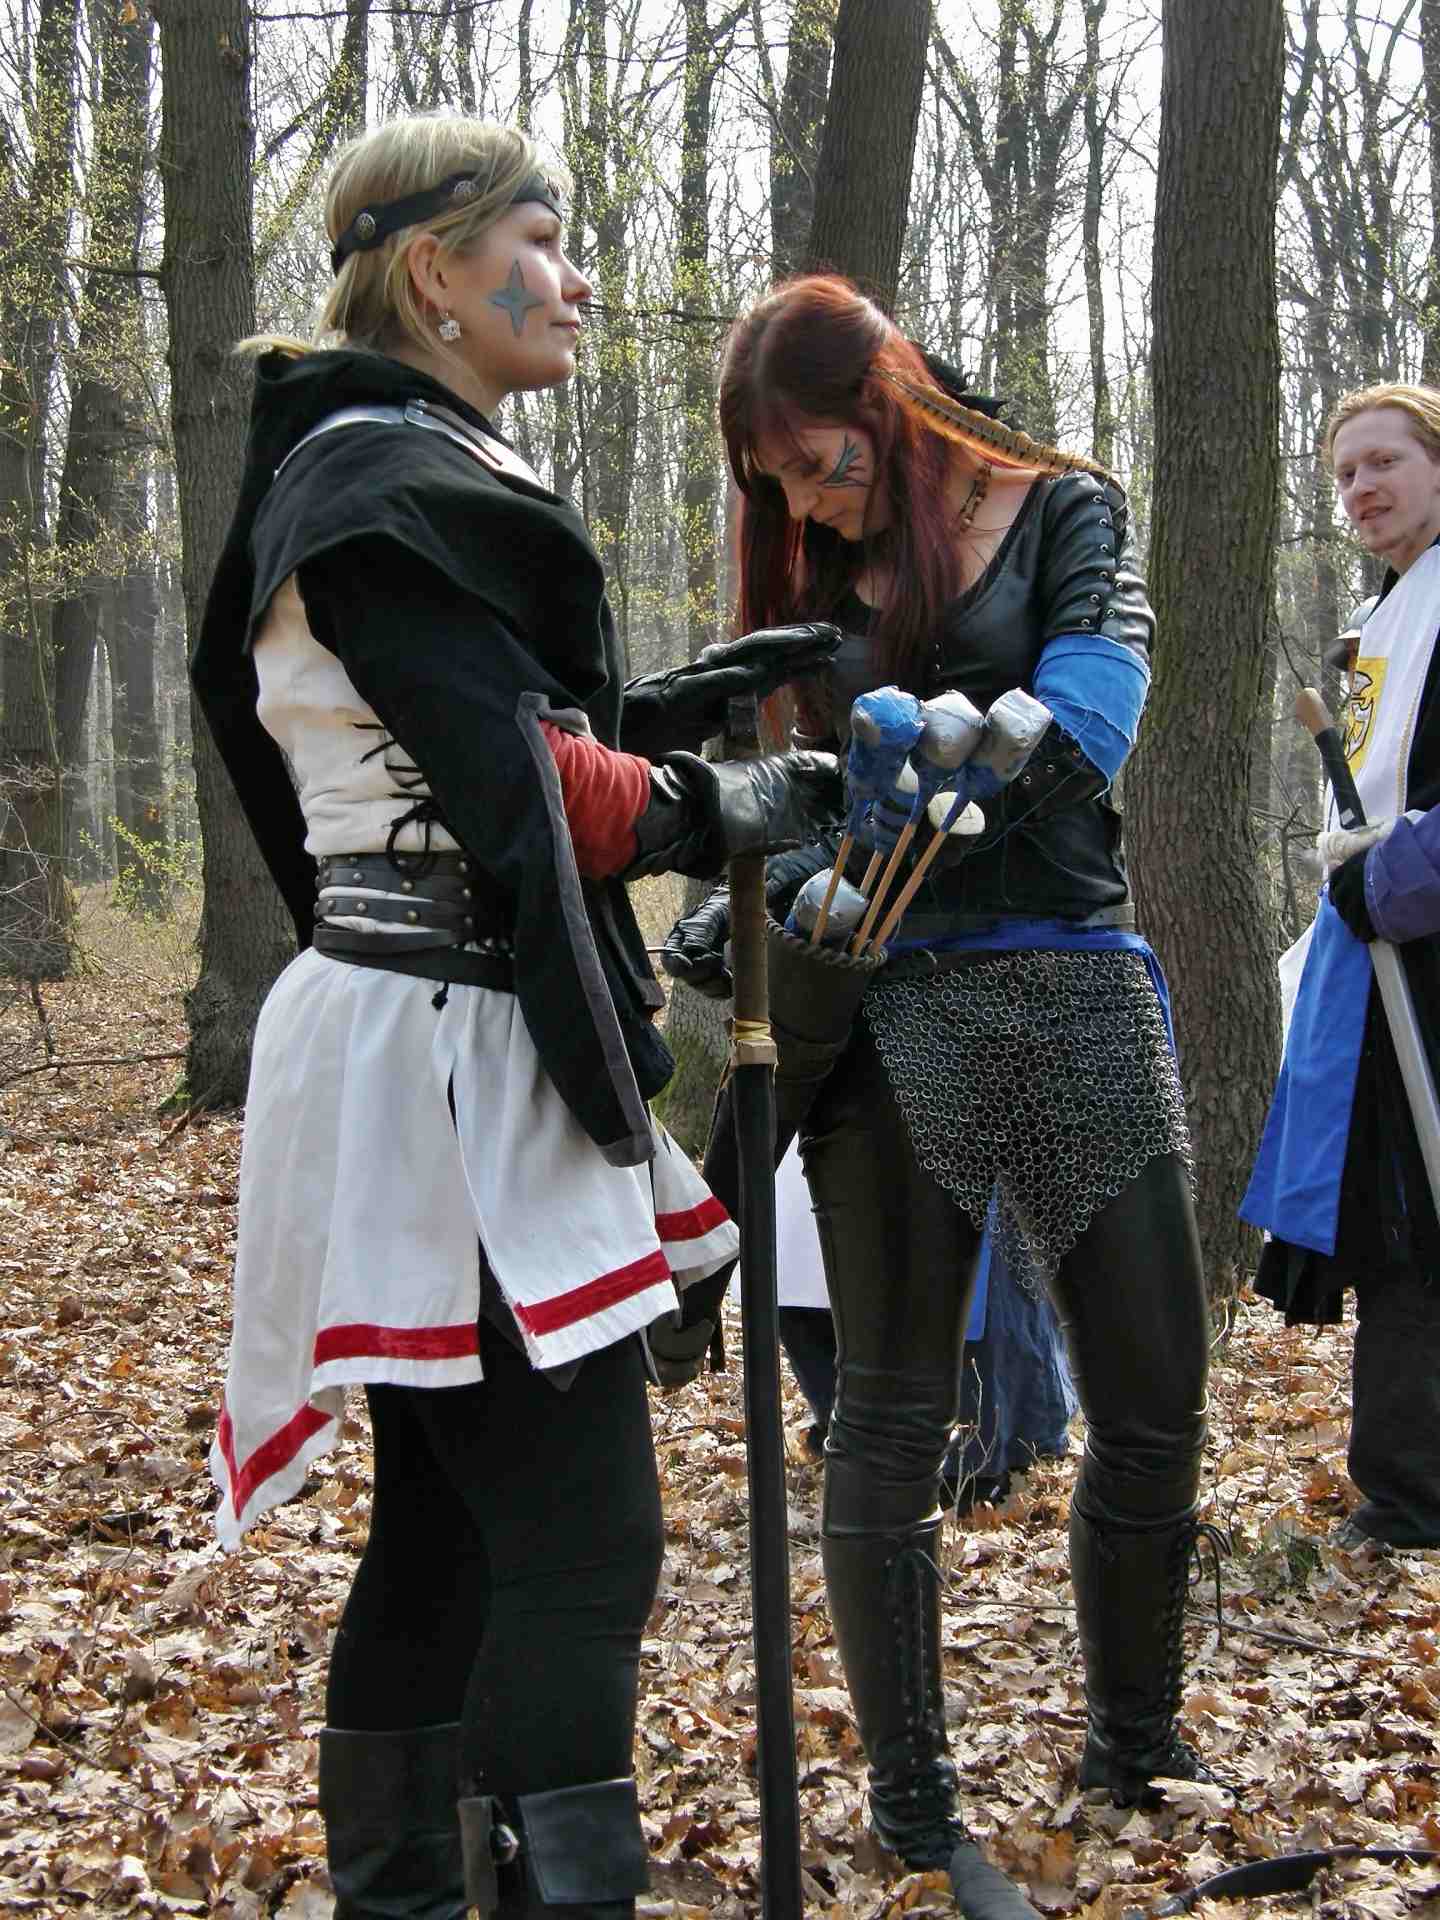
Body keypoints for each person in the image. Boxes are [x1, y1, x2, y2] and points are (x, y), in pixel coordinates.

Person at [188, 116, 842, 1920]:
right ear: (433, 273)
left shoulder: (382, 472)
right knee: (579, 1536)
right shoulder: (380, 484)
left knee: (448, 1533)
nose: (574, 278)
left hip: (423, 1019)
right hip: (444, 1050)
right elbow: (517, 786)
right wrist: (715, 807)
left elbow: (474, 726)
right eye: (536, 241)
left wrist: (666, 712)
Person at [660, 276, 1213, 1906]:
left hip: (1074, 975)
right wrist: (767, 881)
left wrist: (944, 794)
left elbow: (1091, 720)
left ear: (887, 403)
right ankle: (915, 1806)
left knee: (1155, 1396)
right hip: (893, 1006)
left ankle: (1135, 1743)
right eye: (770, 480)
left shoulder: (1063, 507)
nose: (800, 501)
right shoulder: (817, 575)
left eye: (815, 460)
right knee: (893, 1416)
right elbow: (800, 795)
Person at [1243, 382, 1440, 1552]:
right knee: (1398, 1224)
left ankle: (1414, 1495)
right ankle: (1408, 1489)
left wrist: (1399, 875)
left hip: (1424, 948)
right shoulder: (1381, 620)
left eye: (1384, 462)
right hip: (1382, 967)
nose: (1361, 489)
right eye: (1345, 474)